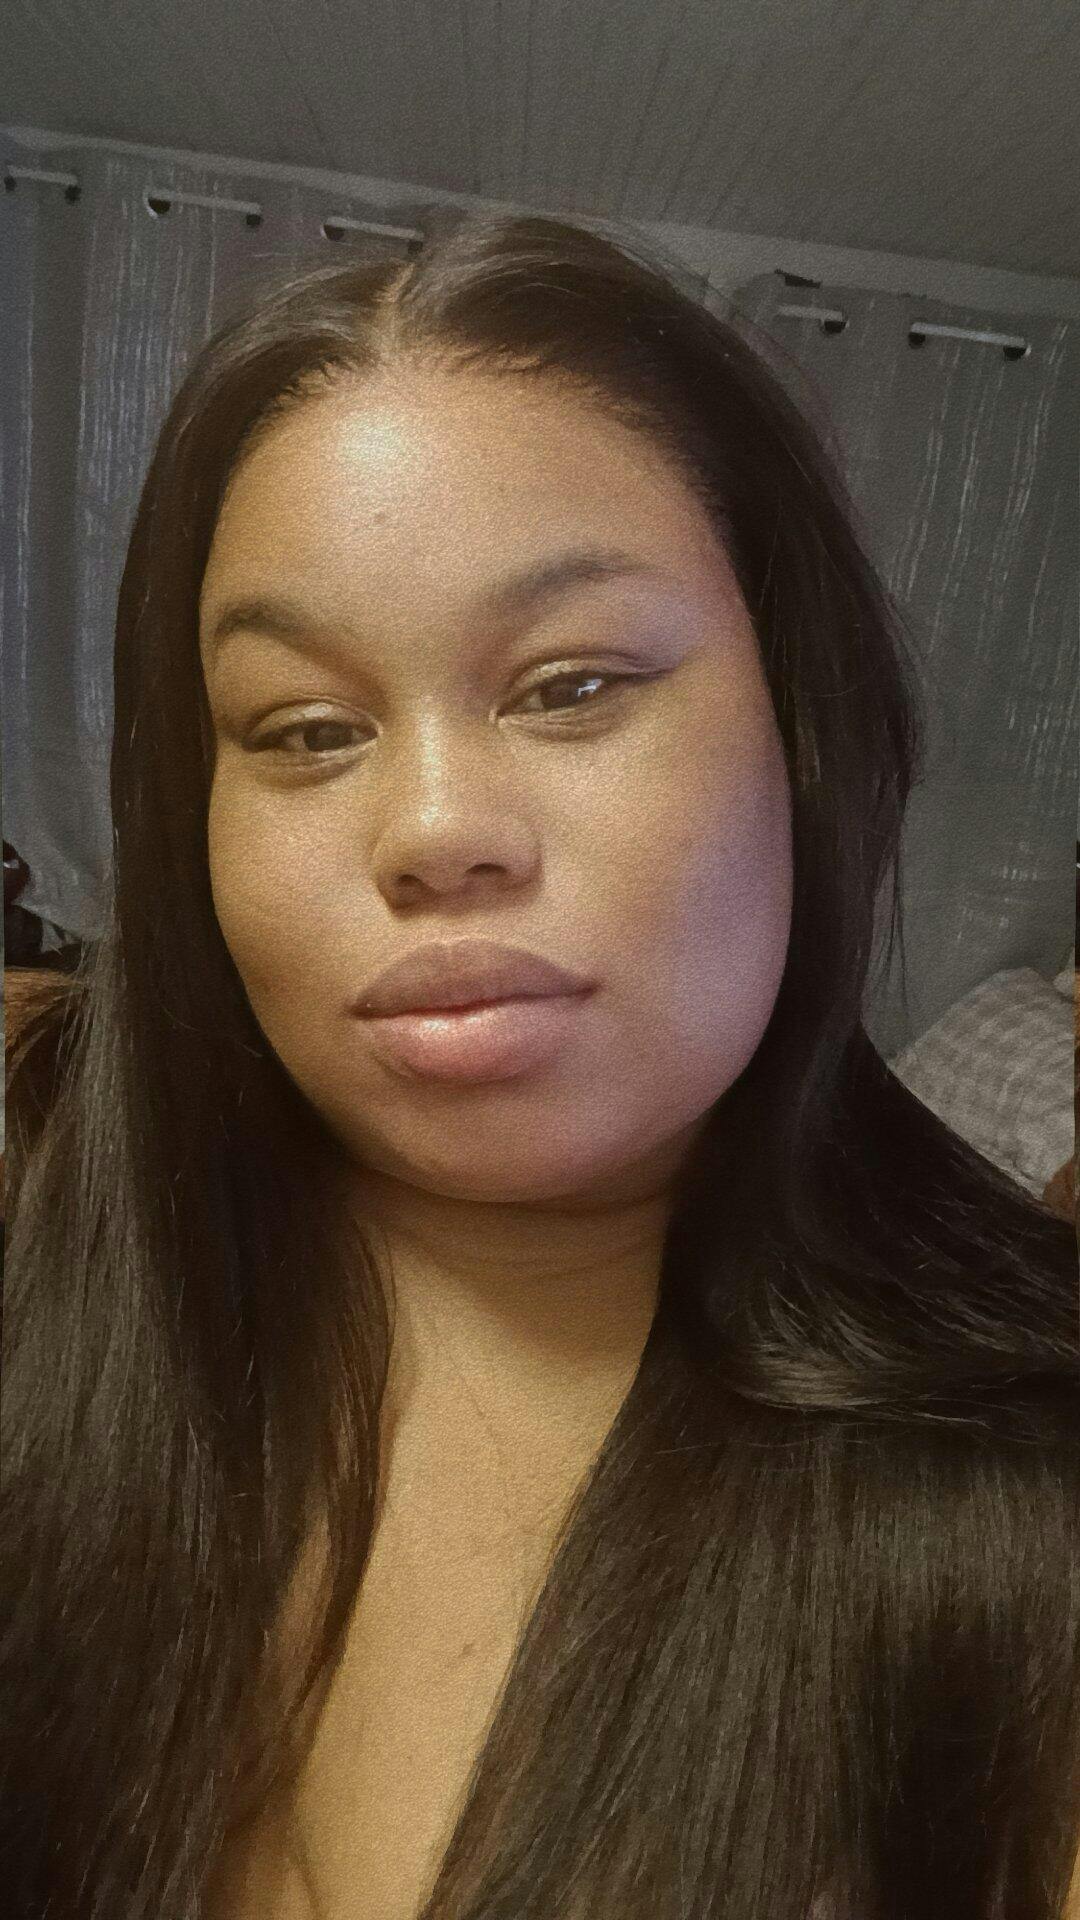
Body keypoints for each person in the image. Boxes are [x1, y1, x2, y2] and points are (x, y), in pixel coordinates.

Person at [3, 207, 1077, 1920]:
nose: (436, 830)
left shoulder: (1026, 1500)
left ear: (804, 741)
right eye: (306, 729)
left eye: (573, 687)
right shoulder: (41, 1235)